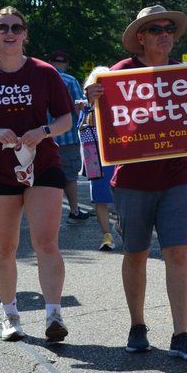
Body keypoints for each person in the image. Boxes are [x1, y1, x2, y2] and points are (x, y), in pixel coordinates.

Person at [84, 5, 187, 359]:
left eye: (169, 28)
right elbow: (100, 124)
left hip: (177, 179)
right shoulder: (118, 74)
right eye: (156, 30)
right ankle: (137, 326)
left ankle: (181, 334)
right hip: (132, 181)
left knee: (178, 253)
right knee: (135, 254)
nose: (165, 34)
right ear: (141, 38)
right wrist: (93, 99)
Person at [0, 7, 73, 343]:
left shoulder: (44, 73)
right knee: (5, 248)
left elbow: (65, 119)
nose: (9, 32)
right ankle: (10, 315)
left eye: (16, 27)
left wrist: (43, 131)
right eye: (2, 27)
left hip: (42, 165)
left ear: (25, 34)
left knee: (45, 242)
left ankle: (53, 314)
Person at [48, 50, 90, 224]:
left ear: (50, 62)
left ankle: (46, 215)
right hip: (66, 138)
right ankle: (74, 211)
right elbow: (80, 107)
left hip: (41, 138)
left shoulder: (38, 79)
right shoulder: (70, 81)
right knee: (70, 177)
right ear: (66, 64)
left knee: (45, 177)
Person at [81, 67, 116, 251]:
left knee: (121, 193)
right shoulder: (86, 105)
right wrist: (91, 103)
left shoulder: (120, 103)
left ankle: (121, 225)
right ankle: (107, 234)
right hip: (93, 153)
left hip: (116, 153)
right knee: (100, 196)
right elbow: (83, 126)